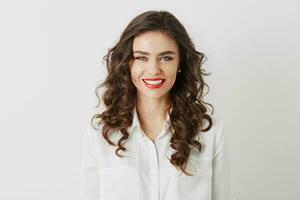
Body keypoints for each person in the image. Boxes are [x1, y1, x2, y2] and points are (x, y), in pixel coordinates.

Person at [79, 10, 236, 200]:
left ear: (180, 63)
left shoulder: (209, 133)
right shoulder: (100, 134)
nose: (153, 69)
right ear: (127, 63)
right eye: (141, 57)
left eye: (166, 57)